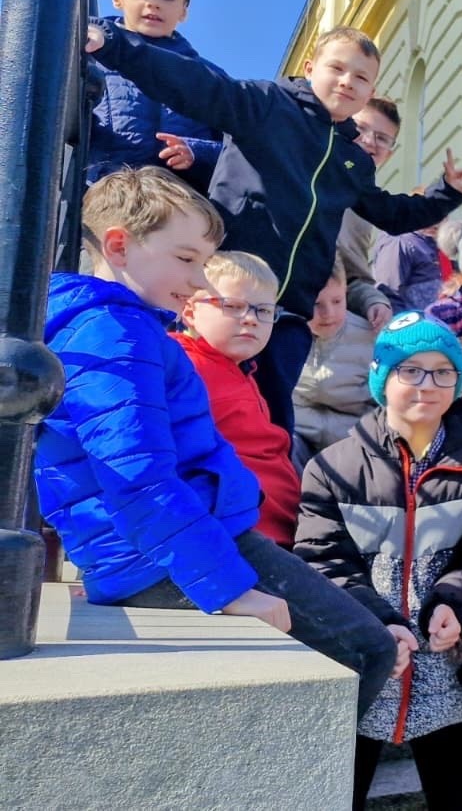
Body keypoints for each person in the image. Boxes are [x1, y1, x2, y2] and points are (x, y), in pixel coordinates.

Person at [34, 166, 396, 717]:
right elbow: (135, 474)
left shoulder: (119, 326)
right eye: (186, 259)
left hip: (172, 547)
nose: (200, 279)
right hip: (172, 558)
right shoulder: (114, 331)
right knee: (367, 650)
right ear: (118, 245)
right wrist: (227, 588)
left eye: (204, 263)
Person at [85, 22, 462, 436]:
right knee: (198, 404)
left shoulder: (353, 160)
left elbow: (392, 214)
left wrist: (447, 192)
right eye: (337, 68)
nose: (347, 81)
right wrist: (113, 45)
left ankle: (258, 480)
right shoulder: (267, 105)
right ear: (310, 68)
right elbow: (195, 85)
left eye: (361, 77)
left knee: (270, 422)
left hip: (286, 314)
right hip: (226, 295)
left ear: (370, 91)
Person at [296, 313, 462, 810]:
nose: (427, 384)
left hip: (447, 675)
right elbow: (322, 562)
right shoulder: (331, 468)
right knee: (340, 796)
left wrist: (452, 601)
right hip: (362, 666)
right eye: (410, 370)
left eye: (442, 371)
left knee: (458, 797)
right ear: (382, 379)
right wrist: (378, 623)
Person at [174, 251, 300, 547]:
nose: (251, 320)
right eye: (232, 306)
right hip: (238, 536)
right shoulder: (183, 366)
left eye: (264, 311)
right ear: (190, 312)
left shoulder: (243, 372)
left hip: (277, 529)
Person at [86, 0, 223, 191]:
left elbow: (241, 147)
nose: (153, 3)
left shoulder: (207, 78)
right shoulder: (90, 57)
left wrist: (198, 152)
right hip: (105, 196)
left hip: (179, 200)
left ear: (183, 11)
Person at [293, 260, 378, 466]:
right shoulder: (283, 335)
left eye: (337, 301)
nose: (328, 314)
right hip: (300, 435)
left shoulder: (370, 338)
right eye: (316, 304)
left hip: (354, 438)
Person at [334, 96, 405, 331]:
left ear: (388, 155)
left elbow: (353, 278)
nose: (369, 141)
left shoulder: (364, 211)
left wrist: (373, 301)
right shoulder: (302, 172)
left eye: (382, 138)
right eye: (360, 128)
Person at [375, 223, 449, 313]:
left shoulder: (434, 240)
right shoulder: (399, 242)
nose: (436, 223)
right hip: (419, 320)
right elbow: (389, 294)